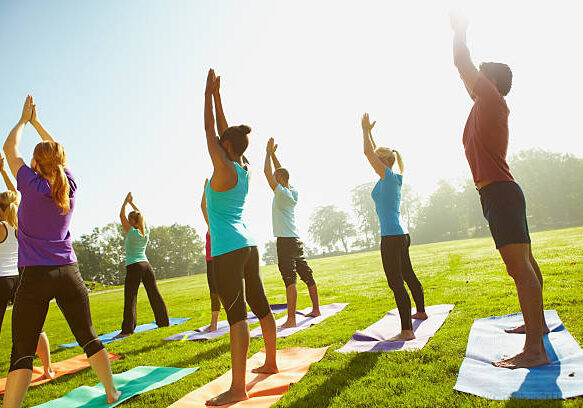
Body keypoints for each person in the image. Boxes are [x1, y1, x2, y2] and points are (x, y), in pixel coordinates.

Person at [2, 95, 120, 407]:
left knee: (23, 351)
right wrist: (38, 123)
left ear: (36, 164)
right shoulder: (69, 184)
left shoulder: (30, 182)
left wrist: (22, 120)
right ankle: (111, 391)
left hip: (35, 277)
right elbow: (58, 153)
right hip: (69, 272)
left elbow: (8, 149)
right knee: (88, 336)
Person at [450, 14, 549, 368]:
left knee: (519, 269)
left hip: (501, 194)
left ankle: (534, 350)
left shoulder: (490, 99)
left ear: (490, 80)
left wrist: (458, 30)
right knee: (526, 265)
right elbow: (465, 74)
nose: (471, 80)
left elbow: (462, 64)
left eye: (479, 74)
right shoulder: (484, 104)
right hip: (501, 193)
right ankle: (538, 329)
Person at [203, 69, 278, 406]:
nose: (218, 142)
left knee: (237, 316)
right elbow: (223, 131)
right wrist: (219, 96)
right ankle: (272, 362)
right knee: (260, 304)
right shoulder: (242, 164)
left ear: (226, 146)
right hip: (248, 245)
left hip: (228, 249)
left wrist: (206, 95)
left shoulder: (222, 165)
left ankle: (237, 388)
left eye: (223, 141)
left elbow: (210, 129)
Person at [360, 113, 427, 342]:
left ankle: (407, 330)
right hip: (401, 234)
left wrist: (363, 131)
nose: (372, 163)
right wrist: (370, 133)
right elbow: (377, 152)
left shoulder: (388, 177)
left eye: (378, 161)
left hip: (391, 236)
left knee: (396, 282)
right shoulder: (391, 177)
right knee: (407, 274)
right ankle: (421, 311)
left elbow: (370, 153)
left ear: (383, 163)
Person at [0, 155, 54, 380]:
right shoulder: (22, 221)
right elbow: (15, 197)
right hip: (21, 278)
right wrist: (3, 172)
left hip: (1, 280)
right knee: (35, 326)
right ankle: (48, 369)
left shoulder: (1, 226)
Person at [263, 138, 320, 328]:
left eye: (275, 176)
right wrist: (273, 155)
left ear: (279, 179)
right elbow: (281, 173)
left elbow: (267, 172)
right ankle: (316, 309)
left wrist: (266, 152)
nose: (273, 176)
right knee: (306, 273)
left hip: (286, 242)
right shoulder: (292, 191)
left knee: (290, 279)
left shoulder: (280, 193)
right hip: (295, 239)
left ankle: (291, 320)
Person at [114, 192, 169, 339]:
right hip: (146, 265)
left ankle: (127, 330)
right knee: (154, 294)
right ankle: (164, 322)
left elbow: (121, 216)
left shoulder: (132, 232)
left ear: (132, 221)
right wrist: (132, 204)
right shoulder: (146, 231)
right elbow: (141, 215)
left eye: (130, 219)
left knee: (130, 297)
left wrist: (125, 202)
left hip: (134, 266)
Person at [201, 178, 220, 332]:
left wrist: (206, 188)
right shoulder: (213, 223)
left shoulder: (214, 223)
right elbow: (203, 206)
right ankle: (214, 324)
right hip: (212, 261)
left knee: (217, 292)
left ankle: (214, 325)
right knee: (215, 292)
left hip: (216, 261)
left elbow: (203, 206)